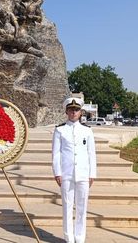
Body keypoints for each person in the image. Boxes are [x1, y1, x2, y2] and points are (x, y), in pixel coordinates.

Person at [52, 97, 97, 243]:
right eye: (71, 110)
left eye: (76, 110)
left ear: (81, 112)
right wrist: (57, 172)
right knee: (67, 205)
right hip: (66, 173)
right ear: (66, 111)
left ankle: (80, 237)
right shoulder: (60, 130)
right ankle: (69, 237)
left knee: (82, 206)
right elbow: (56, 153)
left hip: (83, 173)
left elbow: (91, 153)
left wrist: (92, 173)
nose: (73, 112)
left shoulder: (87, 131)